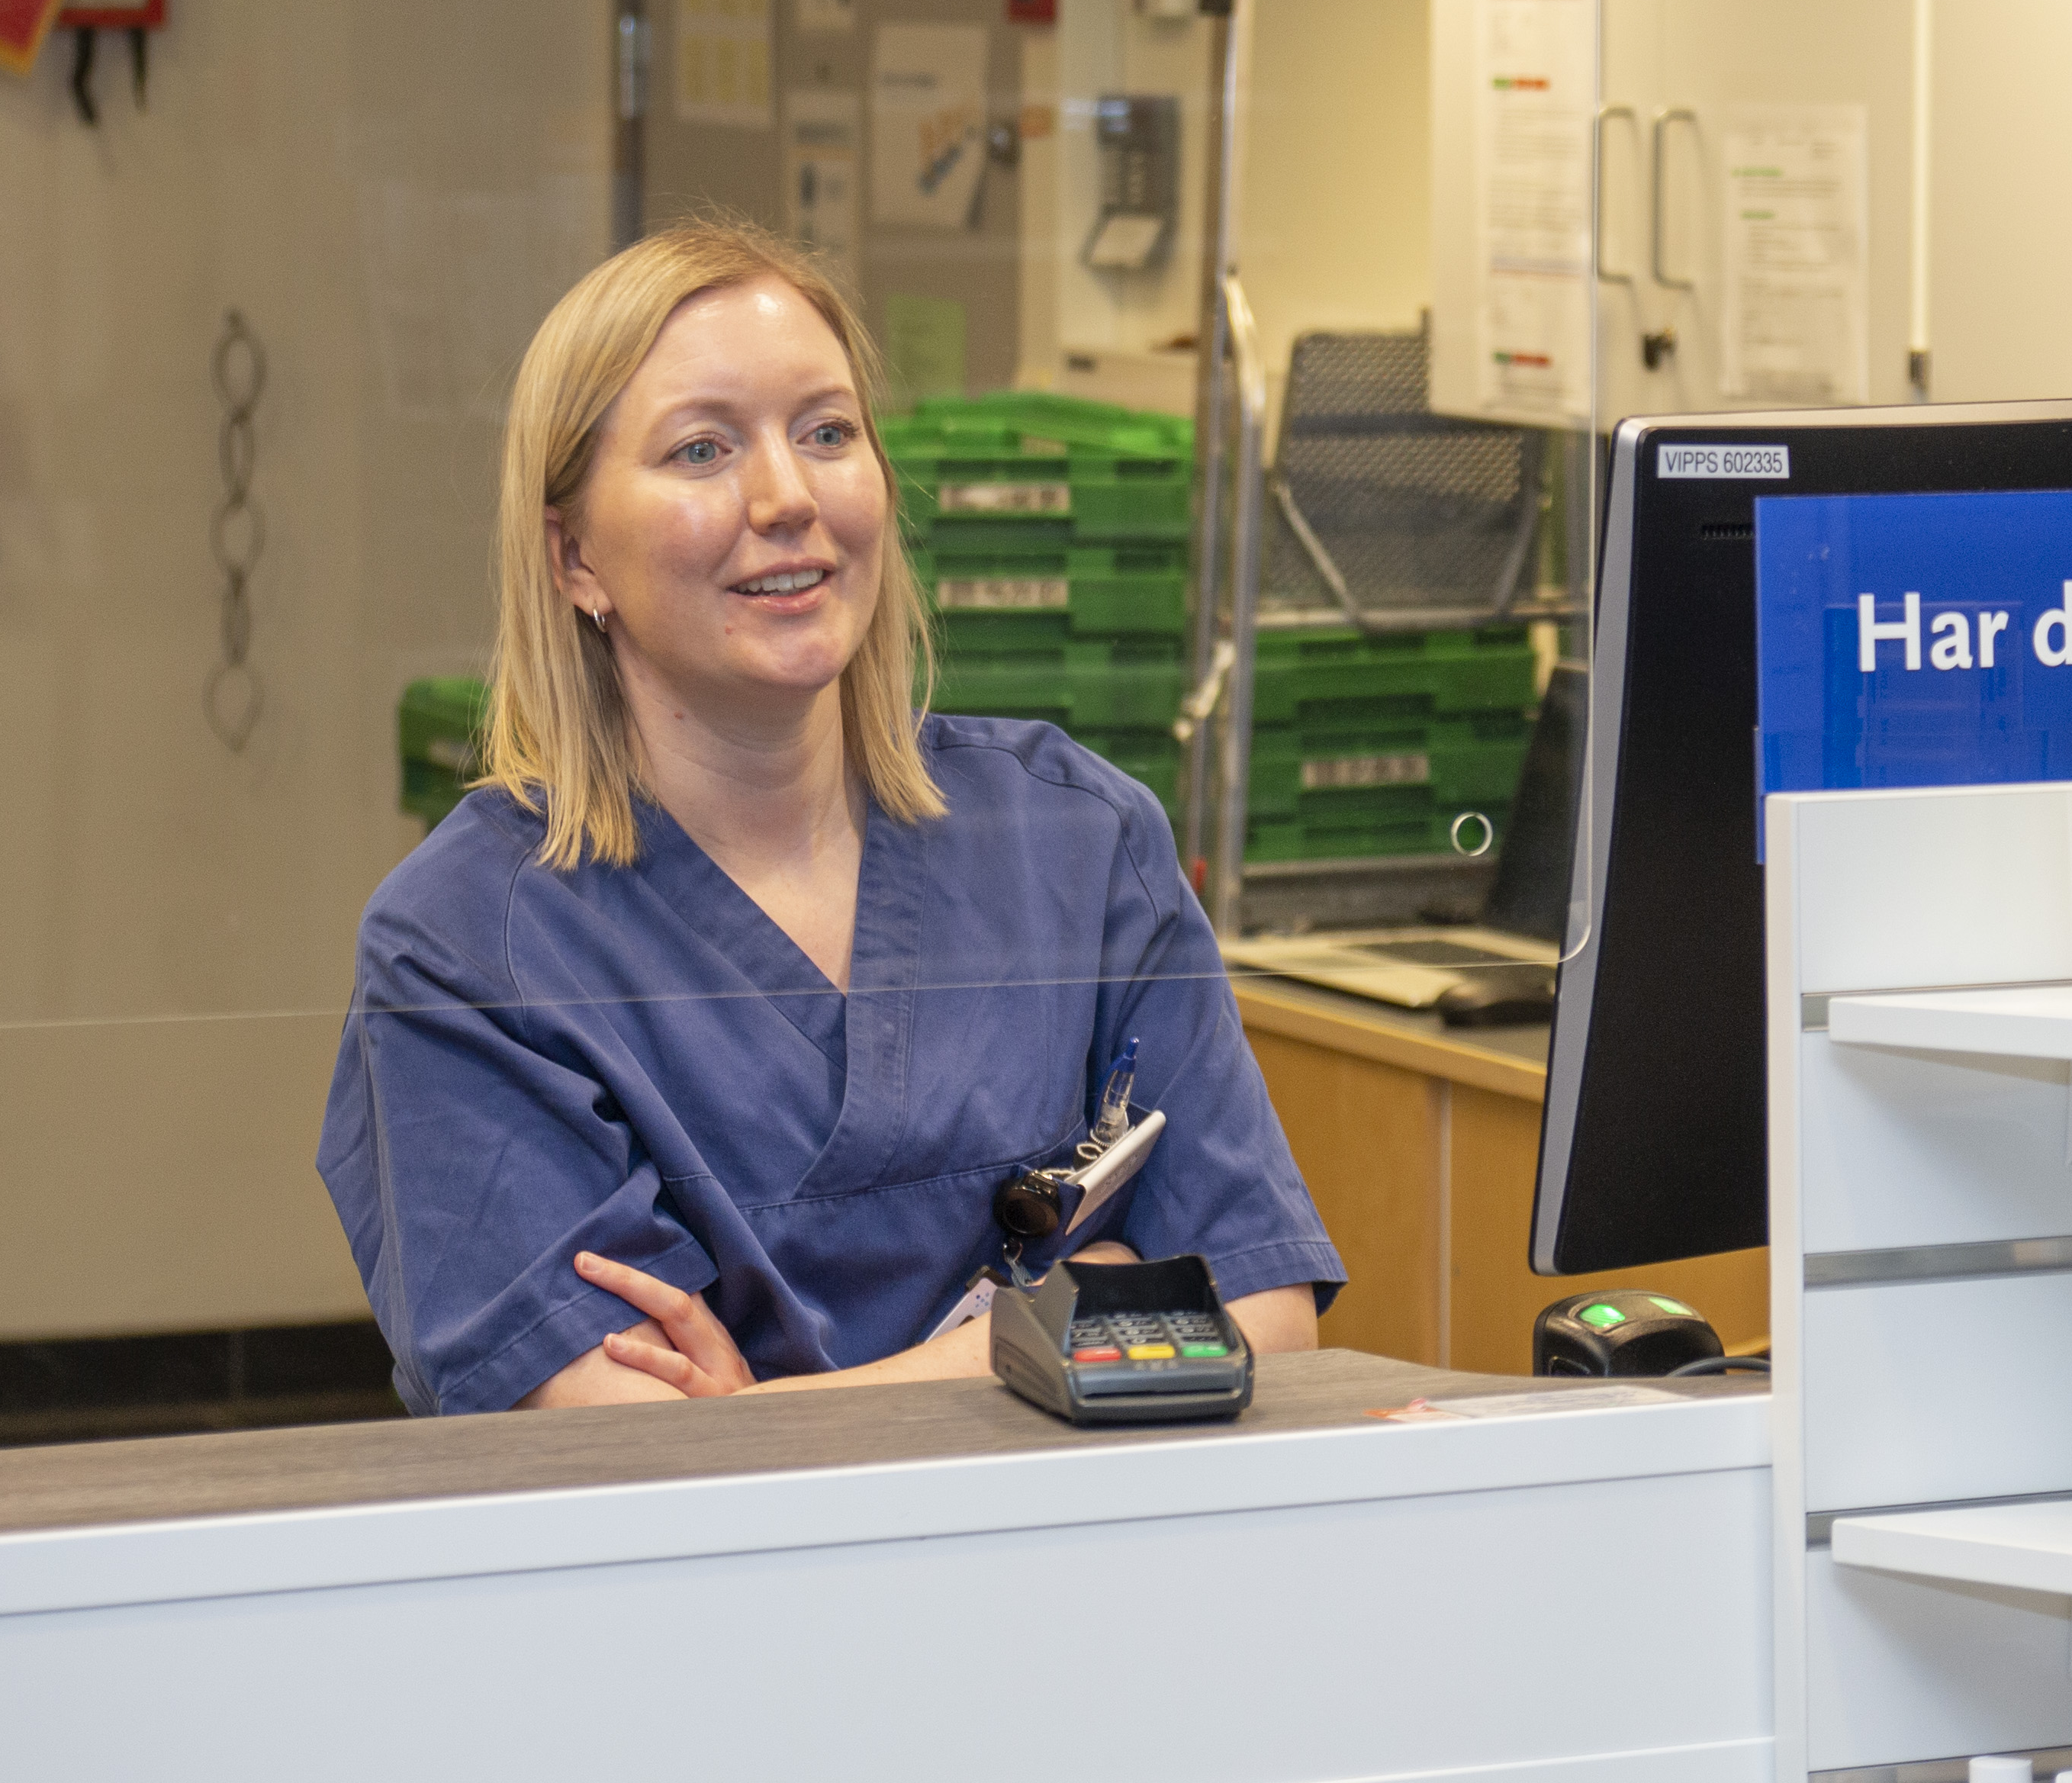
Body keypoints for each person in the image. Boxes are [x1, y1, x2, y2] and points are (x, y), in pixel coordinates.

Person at [317, 217, 1343, 1413]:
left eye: (826, 432)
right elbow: (623, 1444)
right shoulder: (467, 944)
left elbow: (1267, 1316)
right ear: (573, 558)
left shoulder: (1076, 841)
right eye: (702, 450)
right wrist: (1081, 1305)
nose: (787, 496)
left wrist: (777, 1410)